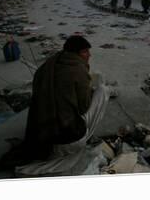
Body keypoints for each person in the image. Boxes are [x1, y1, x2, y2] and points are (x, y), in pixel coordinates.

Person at [16, 36, 112, 176]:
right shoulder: (78, 70)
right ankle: (85, 138)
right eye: (85, 51)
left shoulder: (47, 65)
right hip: (68, 140)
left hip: (42, 136)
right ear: (76, 53)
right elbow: (83, 108)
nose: (89, 55)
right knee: (103, 91)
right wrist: (88, 91)